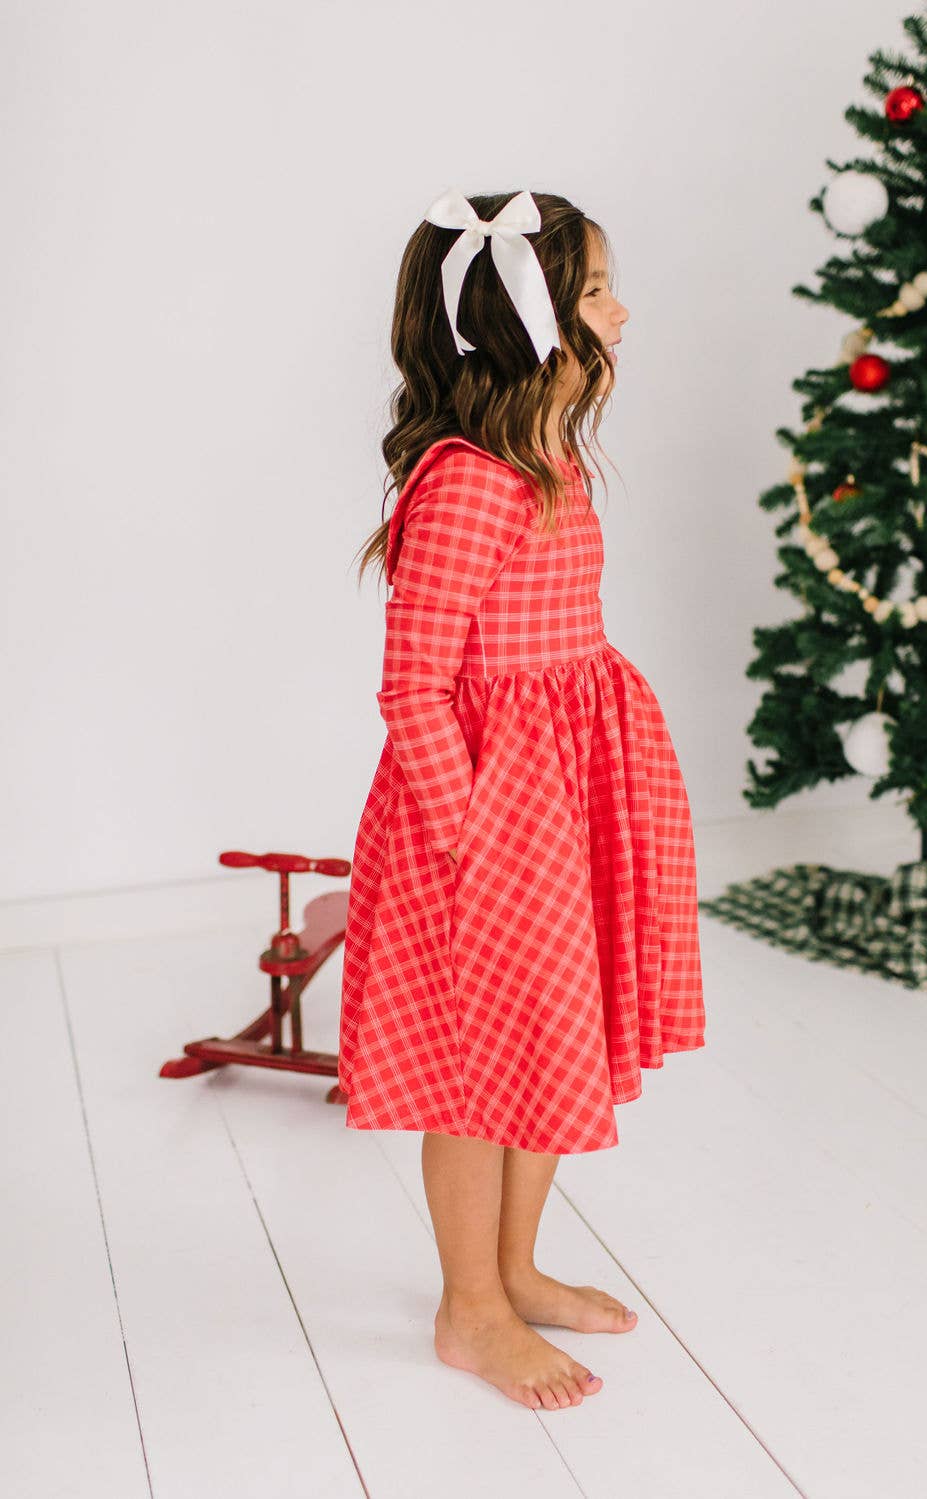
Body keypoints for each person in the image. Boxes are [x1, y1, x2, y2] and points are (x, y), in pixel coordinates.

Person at [341, 188, 705, 1412]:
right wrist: (471, 837)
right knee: (479, 1069)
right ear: (529, 318)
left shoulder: (545, 456)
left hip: (568, 794)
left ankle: (515, 1263)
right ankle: (470, 1306)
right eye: (595, 287)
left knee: (558, 1041)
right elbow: (412, 687)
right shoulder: (466, 484)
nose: (618, 309)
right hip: (492, 819)